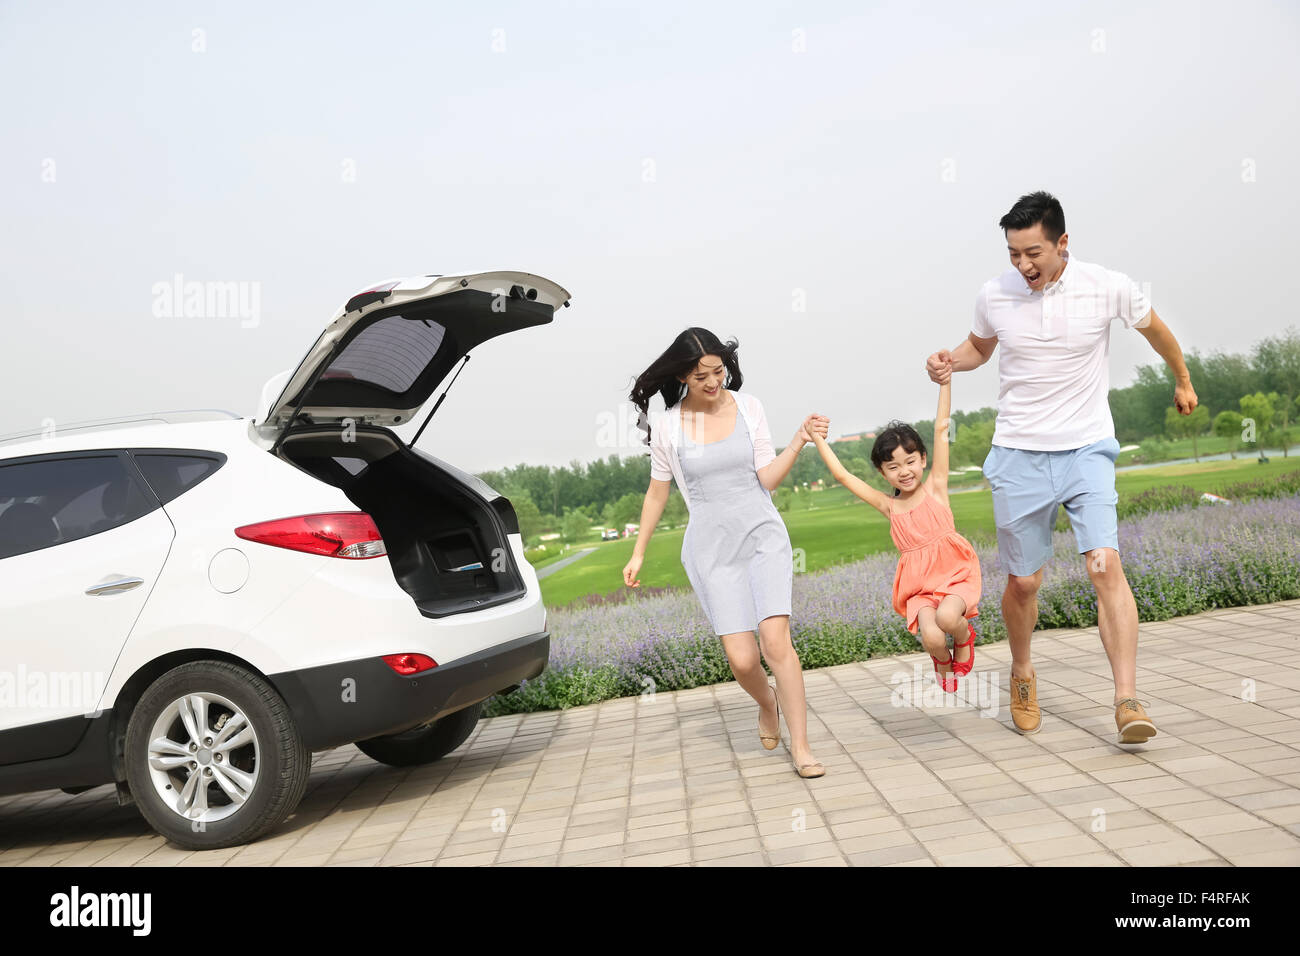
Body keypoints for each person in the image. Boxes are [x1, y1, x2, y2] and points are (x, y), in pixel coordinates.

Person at [926, 190, 1199, 744]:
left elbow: (1157, 330)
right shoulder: (994, 295)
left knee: (1104, 566)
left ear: (1062, 243)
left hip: (1086, 448)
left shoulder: (1108, 286)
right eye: (1013, 254)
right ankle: (1022, 671)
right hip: (1019, 452)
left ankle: (1127, 698)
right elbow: (981, 347)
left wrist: (1182, 377)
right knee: (1024, 581)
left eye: (1033, 253)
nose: (1023, 266)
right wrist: (949, 360)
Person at [624, 328, 829, 778]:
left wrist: (797, 441)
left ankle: (803, 748)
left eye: (719, 371)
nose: (714, 381)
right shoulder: (668, 425)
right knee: (742, 659)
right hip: (711, 549)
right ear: (682, 375)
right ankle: (767, 702)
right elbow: (657, 493)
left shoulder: (749, 407)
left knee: (777, 644)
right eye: (702, 375)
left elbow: (768, 479)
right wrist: (639, 552)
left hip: (762, 537)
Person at [807, 380, 982, 692]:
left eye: (910, 461)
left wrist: (945, 383)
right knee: (931, 636)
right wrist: (817, 439)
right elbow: (842, 475)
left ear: (923, 460)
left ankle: (965, 636)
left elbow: (942, 428)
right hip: (919, 588)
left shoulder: (936, 487)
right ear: (882, 472)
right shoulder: (889, 506)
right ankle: (942, 659)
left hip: (955, 576)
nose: (904, 471)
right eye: (893, 466)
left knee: (947, 617)